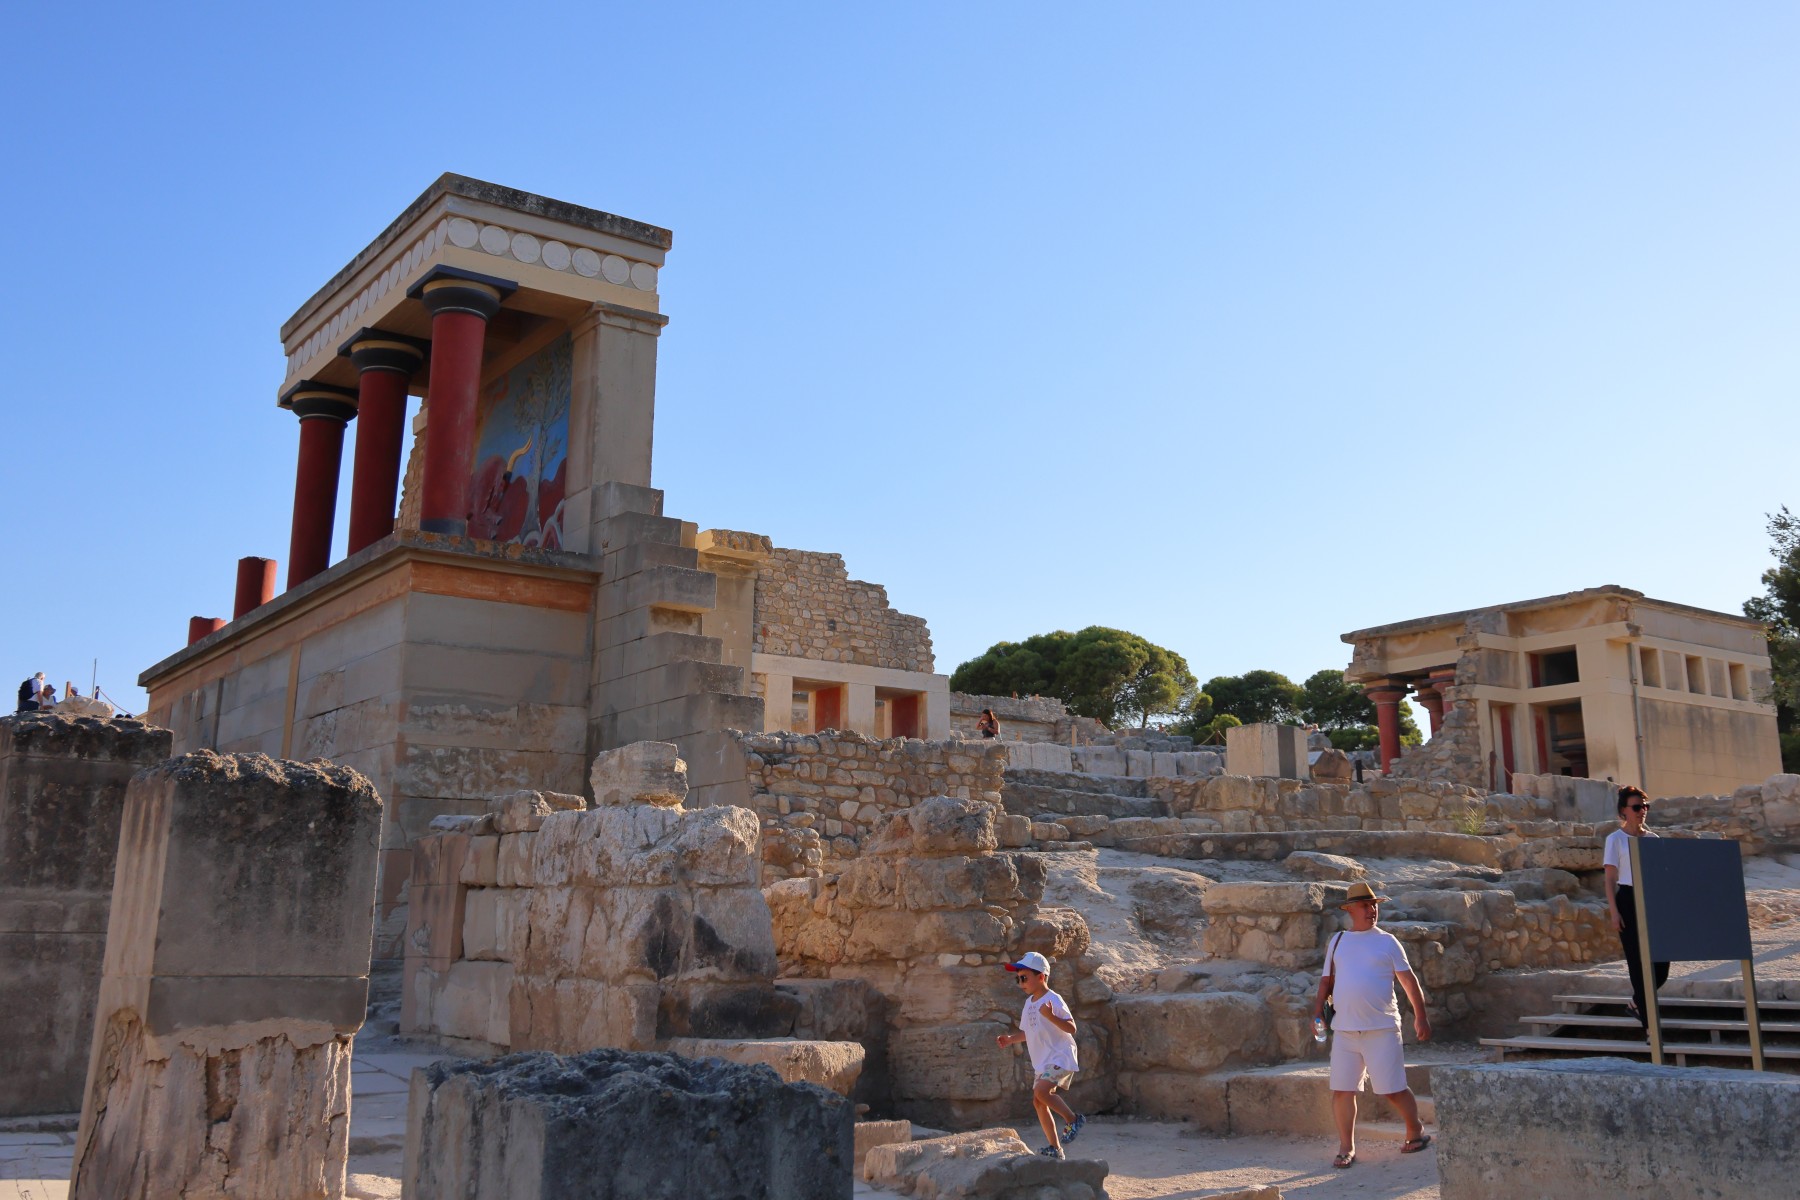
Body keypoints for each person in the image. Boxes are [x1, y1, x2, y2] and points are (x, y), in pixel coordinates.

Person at [1311, 881, 1433, 1168]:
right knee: (1343, 1090)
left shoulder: (1388, 942)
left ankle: (1415, 1129)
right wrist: (1317, 1014)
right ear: (1351, 909)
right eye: (1365, 905)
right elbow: (1327, 981)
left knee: (1393, 1089)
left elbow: (1409, 981)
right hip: (1345, 1029)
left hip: (1382, 1028)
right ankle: (1346, 1147)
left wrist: (1421, 1016)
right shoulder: (1338, 941)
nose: (1372, 910)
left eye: (1374, 905)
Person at [995, 951, 1085, 1159]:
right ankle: (1055, 1149)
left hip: (1060, 1056)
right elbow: (1029, 1032)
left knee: (1042, 1092)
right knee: (1038, 1101)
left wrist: (1050, 1015)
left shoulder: (1053, 999)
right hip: (1043, 1062)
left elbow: (1071, 1028)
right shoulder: (1029, 1003)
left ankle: (1073, 1119)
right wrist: (1010, 1039)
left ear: (1041, 977)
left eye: (1024, 978)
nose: (1020, 983)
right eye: (1018, 979)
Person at [1604, 785, 1668, 1028]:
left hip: (1652, 900)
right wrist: (1614, 911)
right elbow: (1610, 879)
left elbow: (1660, 875)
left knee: (1661, 966)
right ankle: (1650, 1028)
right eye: (1637, 807)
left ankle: (1636, 1003)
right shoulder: (1615, 840)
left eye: (1645, 806)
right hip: (1628, 900)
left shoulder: (1653, 839)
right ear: (1624, 810)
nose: (1643, 811)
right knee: (1637, 962)